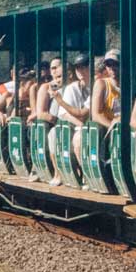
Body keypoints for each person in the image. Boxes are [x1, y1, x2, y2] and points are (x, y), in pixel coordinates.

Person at [48, 54, 92, 187]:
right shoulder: (69, 88)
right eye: (78, 68)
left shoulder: (95, 85)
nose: (81, 71)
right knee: (54, 133)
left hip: (89, 124)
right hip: (73, 124)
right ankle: (58, 172)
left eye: (84, 67)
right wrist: (81, 124)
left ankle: (87, 176)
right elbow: (63, 114)